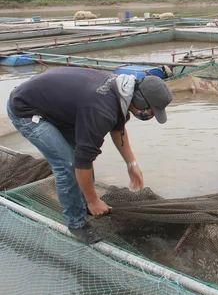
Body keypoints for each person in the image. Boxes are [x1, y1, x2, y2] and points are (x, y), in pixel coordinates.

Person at [6, 67, 173, 244]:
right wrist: (93, 199)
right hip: (27, 110)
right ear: (140, 100)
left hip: (60, 108)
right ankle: (76, 223)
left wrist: (131, 164)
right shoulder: (100, 109)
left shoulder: (122, 90)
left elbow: (118, 128)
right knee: (68, 165)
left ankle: (84, 203)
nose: (150, 115)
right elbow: (82, 162)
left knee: (81, 154)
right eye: (151, 111)